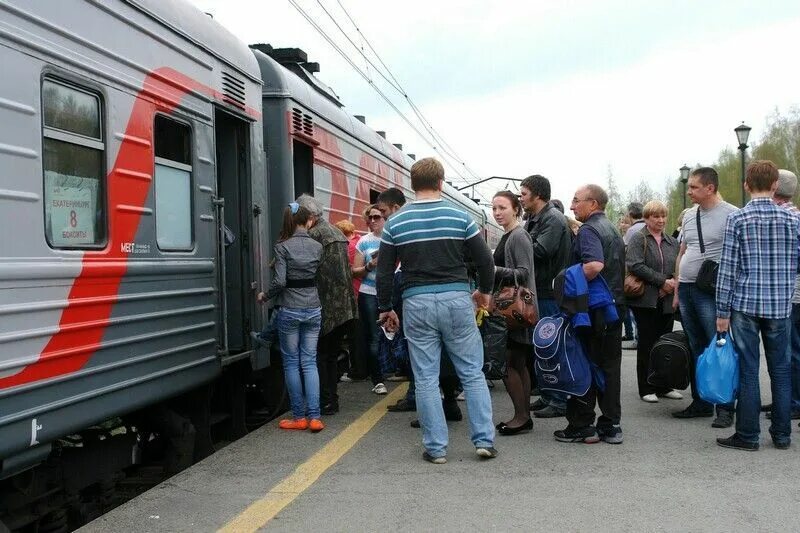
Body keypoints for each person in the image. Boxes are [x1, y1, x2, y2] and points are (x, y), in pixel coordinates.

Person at [376, 157, 497, 464]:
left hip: (416, 302)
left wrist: (385, 308)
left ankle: (436, 448)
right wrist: (483, 292)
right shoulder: (460, 218)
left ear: (412, 185)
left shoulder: (396, 223)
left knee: (426, 376)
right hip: (457, 299)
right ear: (441, 183)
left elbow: (385, 272)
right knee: (471, 372)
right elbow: (485, 262)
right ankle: (484, 441)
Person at [715, 160, 800, 451]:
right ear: (776, 185)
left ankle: (749, 435)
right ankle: (782, 435)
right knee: (781, 369)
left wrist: (721, 312)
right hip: (780, 305)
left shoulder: (737, 220)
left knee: (749, 369)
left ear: (746, 185)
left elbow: (727, 268)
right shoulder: (792, 220)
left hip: (746, 304)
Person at [555, 184, 625, 444]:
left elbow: (594, 265)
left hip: (593, 309)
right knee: (609, 366)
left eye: (576, 200)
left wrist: (563, 279)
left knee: (582, 362)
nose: (572, 206)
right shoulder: (612, 228)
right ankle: (610, 425)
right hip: (613, 307)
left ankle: (582, 425)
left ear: (593, 203)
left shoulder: (588, 230)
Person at [672, 167, 738, 427]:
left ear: (710, 188)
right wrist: (677, 286)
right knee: (696, 347)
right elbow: (682, 252)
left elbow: (737, 258)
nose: (689, 192)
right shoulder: (689, 216)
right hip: (687, 288)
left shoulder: (732, 214)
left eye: (694, 187)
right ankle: (701, 401)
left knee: (719, 345)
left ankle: (725, 407)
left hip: (711, 290)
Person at [258, 202, 324, 432]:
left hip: (290, 309)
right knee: (310, 362)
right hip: (313, 308)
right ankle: (315, 417)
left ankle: (299, 417)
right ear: (309, 221)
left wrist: (265, 295)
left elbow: (280, 282)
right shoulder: (317, 246)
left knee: (292, 363)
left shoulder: (282, 246)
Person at [295, 195, 358, 416]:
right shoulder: (336, 232)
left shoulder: (313, 236)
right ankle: (331, 400)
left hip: (325, 307)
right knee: (330, 355)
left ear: (310, 216)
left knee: (321, 357)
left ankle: (327, 402)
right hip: (344, 306)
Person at [519, 174, 571, 418]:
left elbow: (541, 251)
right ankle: (549, 394)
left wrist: (517, 236)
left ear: (538, 195)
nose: (520, 198)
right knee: (542, 346)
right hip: (541, 290)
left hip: (549, 292)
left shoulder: (553, 219)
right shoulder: (537, 218)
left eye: (524, 193)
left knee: (550, 344)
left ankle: (559, 399)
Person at [625, 200, 683, 403]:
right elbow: (635, 265)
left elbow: (677, 265)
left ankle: (664, 385)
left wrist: (672, 282)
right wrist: (661, 282)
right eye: (655, 216)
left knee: (665, 344)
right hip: (646, 300)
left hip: (666, 300)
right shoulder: (639, 238)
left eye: (663, 216)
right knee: (647, 344)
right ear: (647, 218)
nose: (660, 220)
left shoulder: (671, 241)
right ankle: (646, 386)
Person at [491, 191, 536, 434]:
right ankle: (523, 415)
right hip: (514, 312)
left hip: (514, 312)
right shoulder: (510, 234)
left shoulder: (518, 236)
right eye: (494, 208)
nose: (497, 213)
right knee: (518, 362)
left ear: (516, 209)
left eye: (502, 208)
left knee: (508, 363)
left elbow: (524, 273)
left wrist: (493, 268)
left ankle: (521, 417)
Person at [771, 169, 800, 420]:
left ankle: (793, 402)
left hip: (792, 294)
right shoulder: (795, 214)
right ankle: (786, 399)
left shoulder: (785, 216)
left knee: (790, 350)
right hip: (792, 293)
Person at [353, 205, 388, 395]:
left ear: (385, 218)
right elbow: (355, 271)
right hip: (369, 294)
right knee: (374, 337)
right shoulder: (364, 242)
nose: (373, 221)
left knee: (393, 336)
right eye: (370, 218)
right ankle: (378, 380)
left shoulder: (393, 239)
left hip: (390, 292)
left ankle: (394, 370)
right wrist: (369, 265)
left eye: (377, 217)